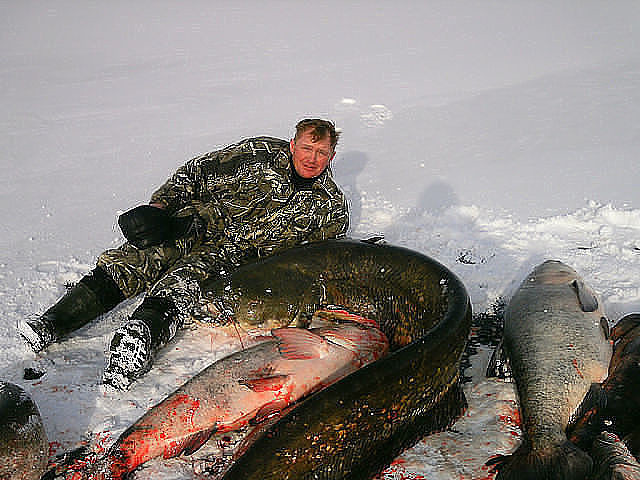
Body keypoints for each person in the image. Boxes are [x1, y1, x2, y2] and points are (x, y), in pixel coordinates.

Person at [18, 119, 349, 390]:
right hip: (200, 220)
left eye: (321, 152)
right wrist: (159, 207)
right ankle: (54, 322)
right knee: (138, 259)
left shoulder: (331, 209)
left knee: (184, 284)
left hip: (238, 257)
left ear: (331, 156)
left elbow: (315, 258)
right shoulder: (258, 154)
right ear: (293, 145)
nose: (312, 158)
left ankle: (136, 345)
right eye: (306, 147)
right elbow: (198, 173)